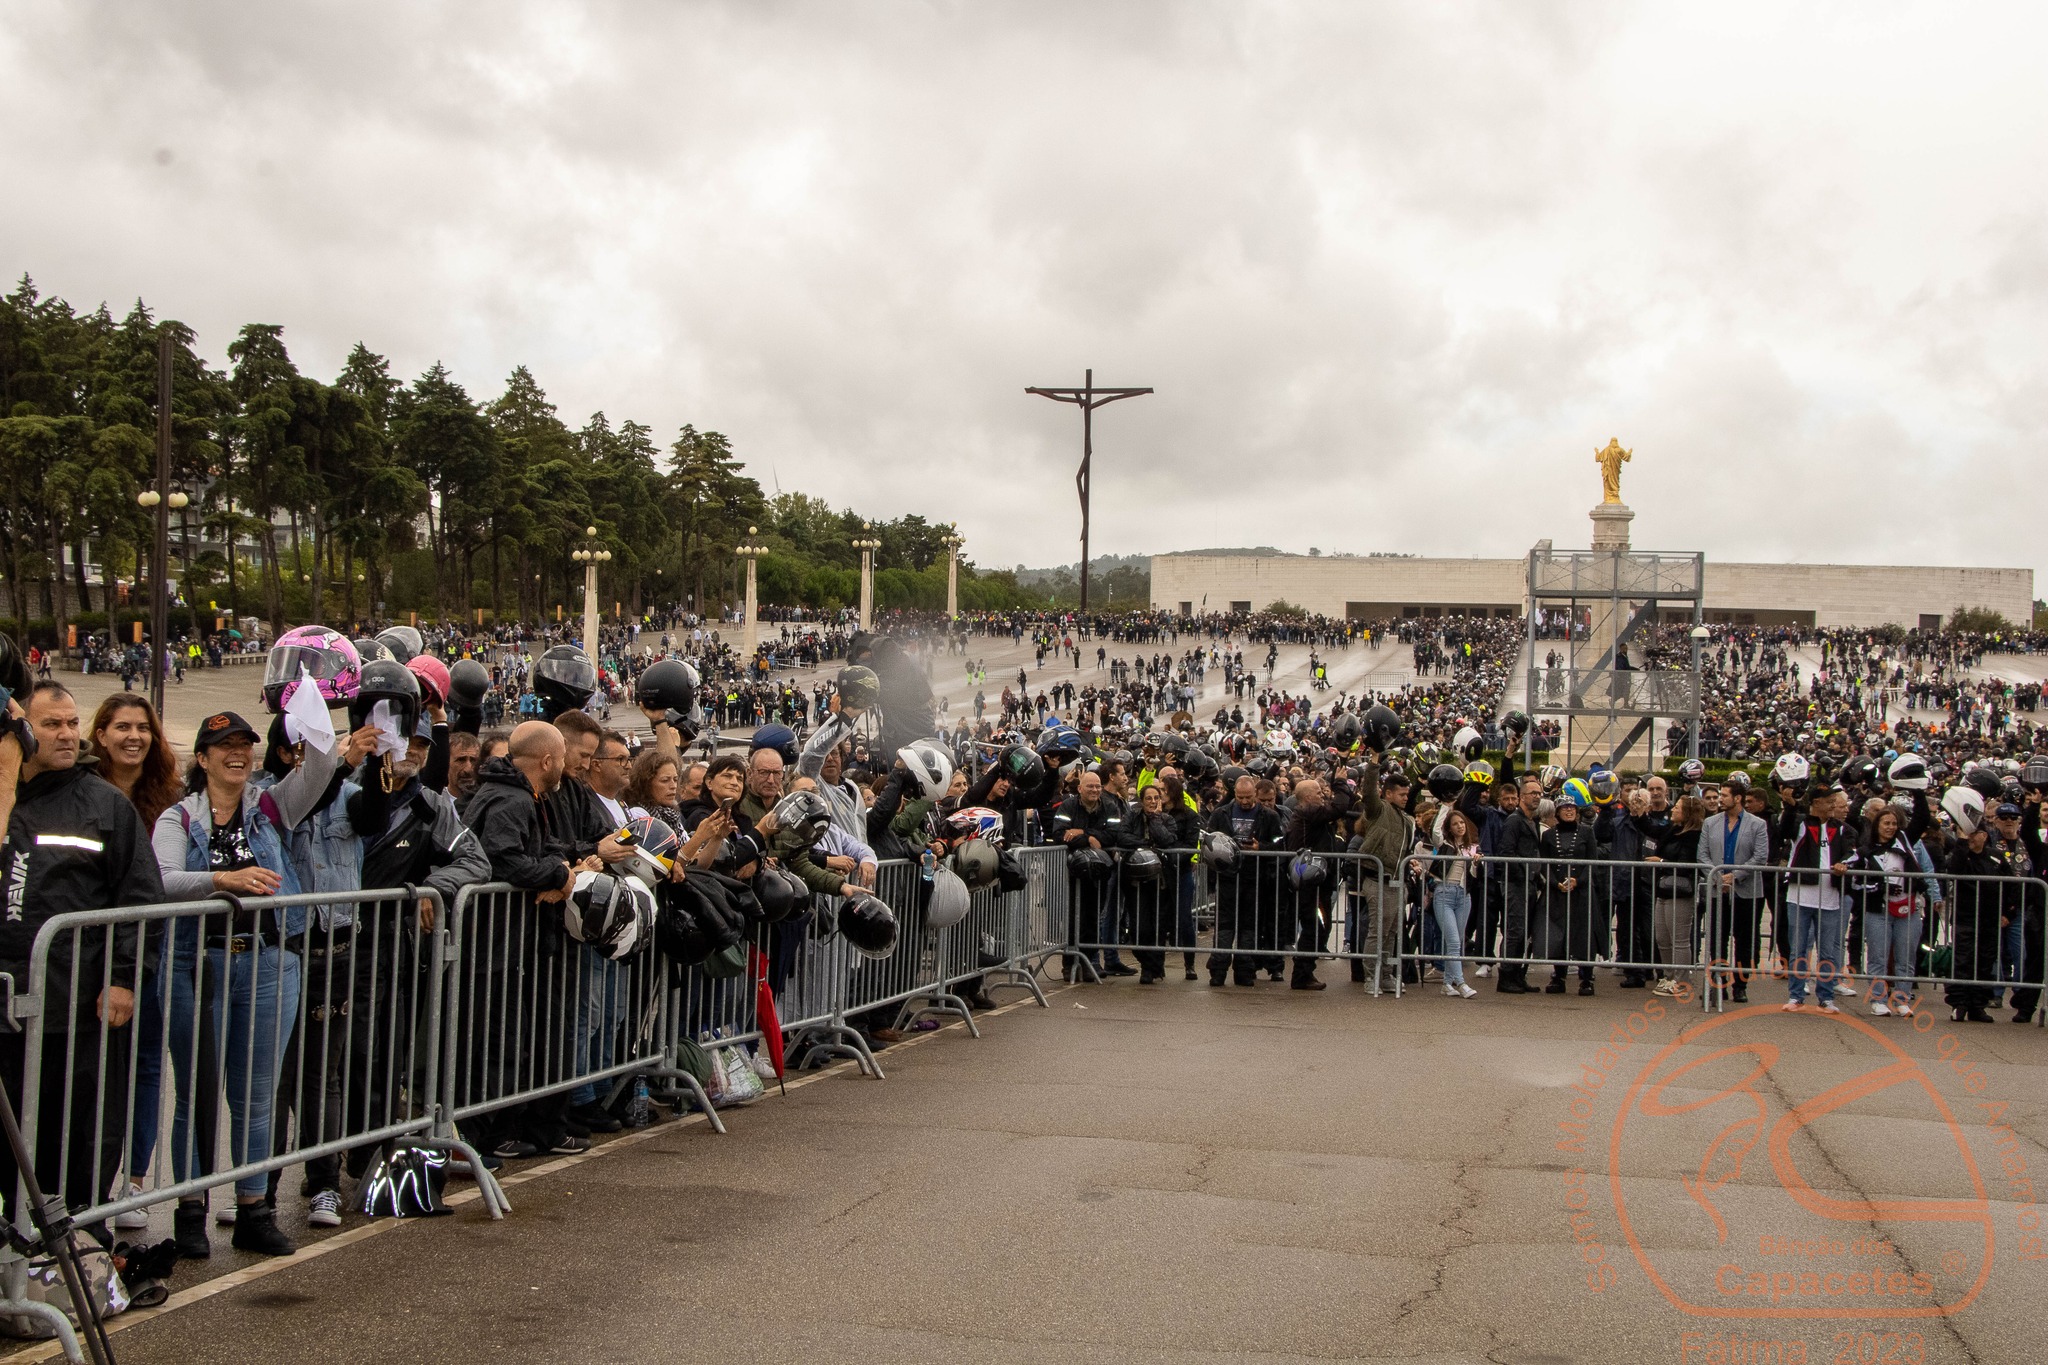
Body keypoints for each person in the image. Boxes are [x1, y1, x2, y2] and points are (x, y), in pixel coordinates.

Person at [152, 708, 340, 1257]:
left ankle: (255, 1208)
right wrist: (222, 879)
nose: (238, 754)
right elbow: (162, 881)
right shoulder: (178, 820)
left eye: (246, 744)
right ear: (202, 758)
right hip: (196, 964)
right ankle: (191, 1213)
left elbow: (322, 767)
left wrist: (311, 705)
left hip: (266, 961)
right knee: (195, 1095)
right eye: (225, 745)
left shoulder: (270, 806)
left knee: (257, 1098)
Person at [0, 681, 162, 1245]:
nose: (67, 734)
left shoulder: (103, 804)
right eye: (52, 725)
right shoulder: (4, 798)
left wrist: (123, 980)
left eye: (71, 723)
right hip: (9, 1010)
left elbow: (141, 899)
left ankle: (77, 1244)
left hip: (76, 1010)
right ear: (22, 731)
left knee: (80, 1135)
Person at [460, 721, 598, 1158]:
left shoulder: (520, 796)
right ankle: (480, 1137)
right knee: (491, 1044)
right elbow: (504, 861)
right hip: (492, 945)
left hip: (508, 943)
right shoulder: (510, 798)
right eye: (560, 758)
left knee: (506, 1041)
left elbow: (539, 848)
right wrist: (559, 874)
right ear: (546, 761)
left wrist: (562, 863)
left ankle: (497, 1132)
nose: (563, 767)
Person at [1777, 781, 1854, 1014]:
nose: (1833, 805)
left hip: (1829, 897)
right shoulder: (1801, 824)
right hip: (1800, 896)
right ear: (1816, 803)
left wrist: (1844, 863)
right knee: (1798, 949)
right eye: (1829, 801)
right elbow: (1784, 829)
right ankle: (1796, 995)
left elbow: (1854, 851)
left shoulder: (1841, 828)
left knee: (1828, 951)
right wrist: (1789, 804)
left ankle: (1826, 997)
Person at [1854, 796, 1935, 1018]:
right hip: (1878, 911)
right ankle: (1878, 999)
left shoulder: (1905, 842)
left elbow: (1922, 818)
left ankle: (1902, 999)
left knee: (1906, 957)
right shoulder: (1866, 850)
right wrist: (1878, 887)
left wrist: (1918, 791)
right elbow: (1855, 878)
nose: (1890, 827)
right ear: (1877, 825)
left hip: (1908, 909)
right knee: (1878, 958)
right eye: (1886, 823)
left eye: (1894, 824)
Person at [1052, 769, 1136, 977]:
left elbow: (1113, 836)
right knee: (1074, 917)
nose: (1095, 790)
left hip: (1100, 872)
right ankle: (1070, 964)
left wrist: (1082, 832)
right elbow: (1059, 834)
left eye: (1098, 786)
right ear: (1080, 788)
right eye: (1090, 786)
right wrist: (1090, 840)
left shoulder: (1109, 806)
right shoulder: (1068, 805)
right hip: (1074, 871)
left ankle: (1089, 962)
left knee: (1092, 916)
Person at [1205, 773, 1284, 987]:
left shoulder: (1269, 817)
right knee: (1224, 926)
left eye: (1249, 797)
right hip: (1228, 879)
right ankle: (1218, 970)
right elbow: (1209, 840)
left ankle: (1244, 971)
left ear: (1256, 794)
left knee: (1249, 927)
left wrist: (1262, 848)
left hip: (1254, 878)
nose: (1245, 801)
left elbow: (1280, 843)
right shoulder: (1221, 814)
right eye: (1241, 797)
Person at [1697, 781, 1771, 1004]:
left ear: (1737, 798)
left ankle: (1740, 984)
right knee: (1717, 939)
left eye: (1725, 795)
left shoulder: (1757, 824)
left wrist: (1735, 875)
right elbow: (1702, 855)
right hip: (1718, 890)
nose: (1720, 799)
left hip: (1747, 892)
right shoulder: (1710, 823)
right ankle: (1718, 982)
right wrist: (1718, 876)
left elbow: (1760, 857)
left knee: (1745, 940)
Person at [1348, 764, 1413, 993]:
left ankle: (1385, 973)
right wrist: (1374, 764)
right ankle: (1370, 975)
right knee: (1378, 930)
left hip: (1397, 882)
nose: (1406, 798)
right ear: (1388, 794)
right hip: (1377, 879)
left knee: (1392, 932)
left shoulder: (1406, 820)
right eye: (1402, 794)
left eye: (1407, 794)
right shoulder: (1379, 810)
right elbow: (1368, 793)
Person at [1417, 807, 1480, 998]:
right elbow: (1436, 828)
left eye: (1462, 822)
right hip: (1444, 893)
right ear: (1449, 828)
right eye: (1455, 824)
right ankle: (1460, 983)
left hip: (1463, 896)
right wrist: (1446, 803)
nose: (1460, 826)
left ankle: (1446, 983)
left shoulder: (1473, 847)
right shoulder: (1444, 844)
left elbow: (1474, 877)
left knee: (1456, 941)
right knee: (1452, 940)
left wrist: (1477, 863)